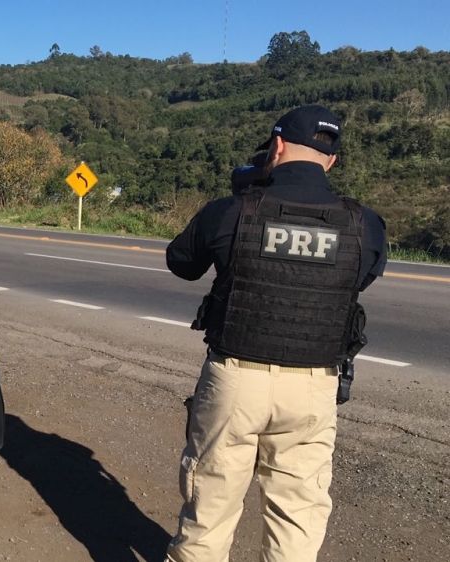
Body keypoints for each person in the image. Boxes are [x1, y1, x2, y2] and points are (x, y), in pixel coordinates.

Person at [164, 104, 387, 561]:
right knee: (297, 521)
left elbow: (181, 264)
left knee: (209, 512)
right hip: (313, 387)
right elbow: (355, 280)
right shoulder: (365, 224)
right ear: (331, 161)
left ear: (277, 146)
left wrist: (242, 200)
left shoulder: (232, 211)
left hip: (235, 380)